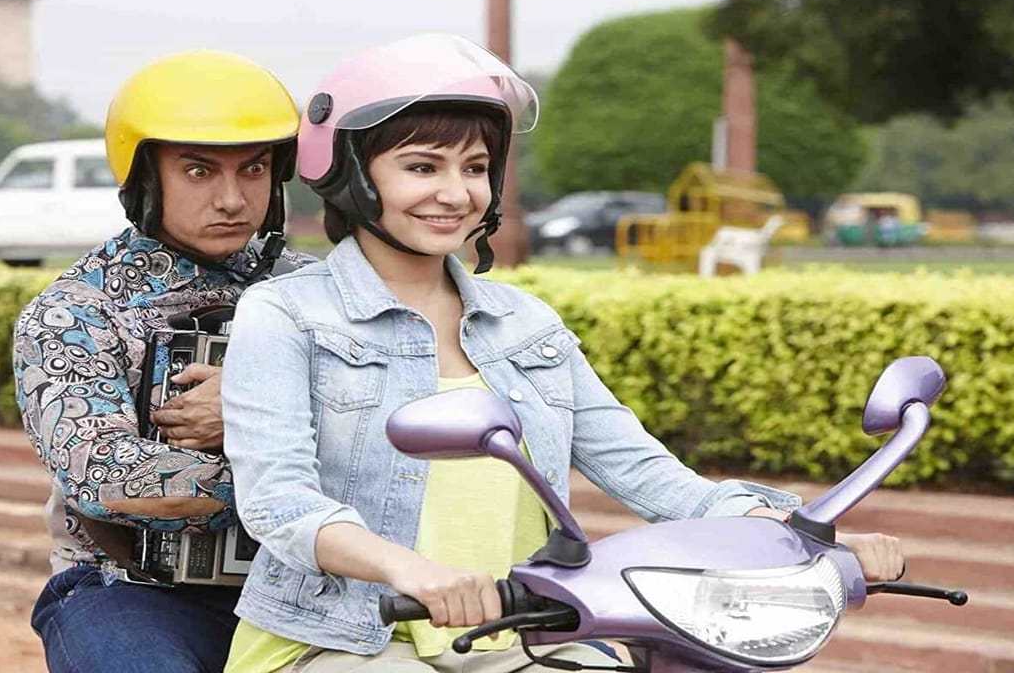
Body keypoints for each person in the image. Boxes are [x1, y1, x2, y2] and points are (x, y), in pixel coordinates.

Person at [219, 34, 906, 672]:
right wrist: (410, 570)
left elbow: (650, 475)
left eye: (475, 167)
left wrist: (799, 535)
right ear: (350, 175)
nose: (456, 193)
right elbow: (279, 500)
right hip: (341, 638)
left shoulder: (524, 324)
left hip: (512, 635)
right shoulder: (286, 314)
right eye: (422, 166)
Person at [13, 50, 313, 673]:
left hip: (308, 586)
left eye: (254, 169)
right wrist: (307, 482)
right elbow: (106, 477)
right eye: (199, 171)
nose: (232, 199)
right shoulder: (74, 312)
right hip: (128, 590)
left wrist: (250, 410)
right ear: (145, 178)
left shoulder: (316, 293)